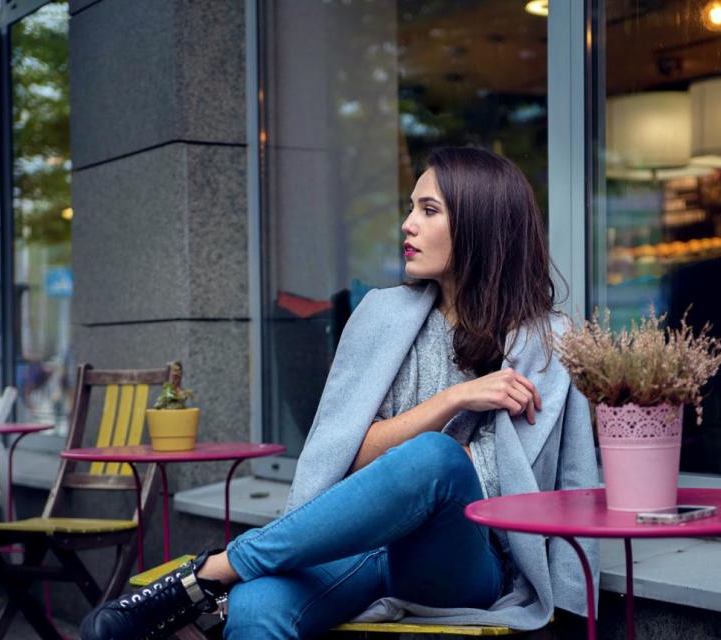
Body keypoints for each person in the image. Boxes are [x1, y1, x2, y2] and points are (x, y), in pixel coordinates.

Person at [80, 147, 599, 640]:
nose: (407, 224)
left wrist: (422, 455)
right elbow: (346, 458)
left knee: (436, 457)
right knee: (257, 609)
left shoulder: (544, 343)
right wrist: (453, 400)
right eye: (410, 208)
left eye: (428, 210)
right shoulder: (381, 317)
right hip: (359, 546)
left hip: (463, 562)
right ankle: (218, 580)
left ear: (479, 225)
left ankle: (212, 571)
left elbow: (529, 484)